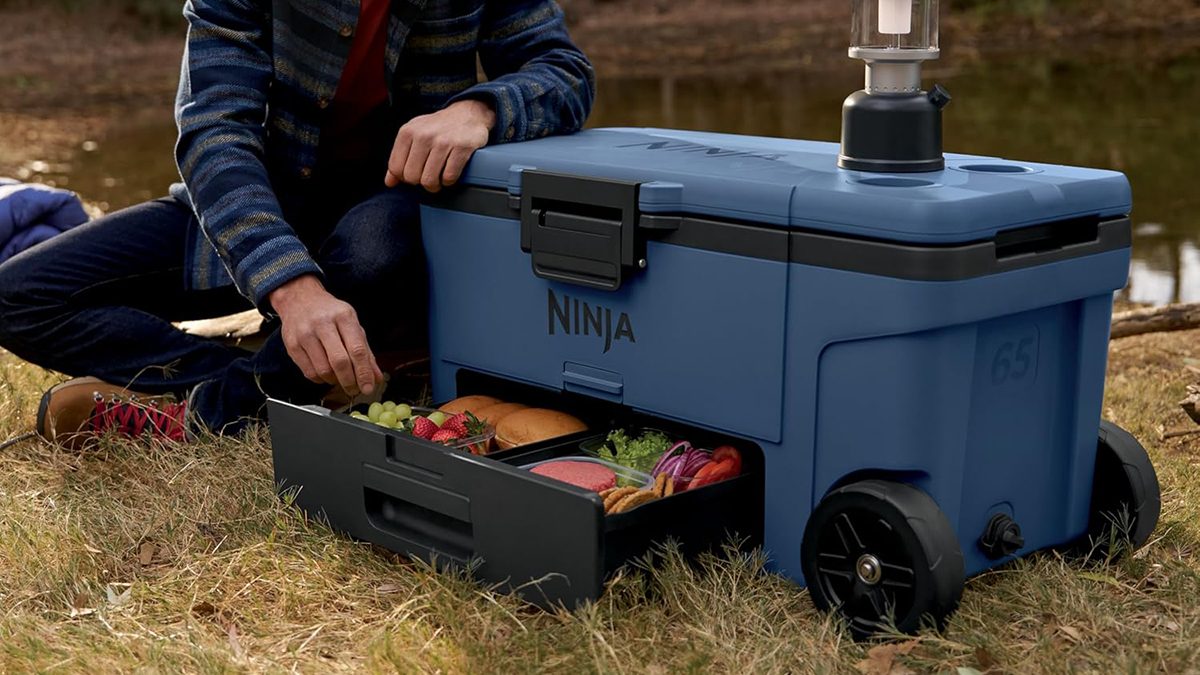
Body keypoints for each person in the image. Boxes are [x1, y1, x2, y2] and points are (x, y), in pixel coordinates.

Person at [0, 0, 595, 447]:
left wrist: (480, 108)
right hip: (258, 210)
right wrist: (291, 288)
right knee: (18, 296)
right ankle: (269, 375)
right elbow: (215, 133)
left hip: (390, 218)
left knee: (374, 249)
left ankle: (217, 412)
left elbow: (565, 70)